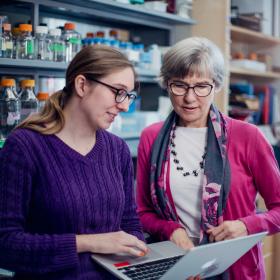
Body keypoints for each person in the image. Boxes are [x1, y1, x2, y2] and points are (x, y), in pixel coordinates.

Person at [136, 37, 280, 279]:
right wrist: (170, 230)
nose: (190, 98)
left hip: (236, 271)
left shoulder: (248, 136)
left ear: (217, 85)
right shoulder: (151, 137)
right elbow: (142, 212)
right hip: (175, 268)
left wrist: (247, 225)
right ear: (167, 84)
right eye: (179, 85)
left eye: (202, 86)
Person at [0, 45, 148, 279]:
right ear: (82, 85)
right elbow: (6, 244)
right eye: (118, 92)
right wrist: (89, 243)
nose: (124, 105)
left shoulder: (116, 150)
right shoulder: (25, 147)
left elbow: (130, 225)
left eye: (128, 95)